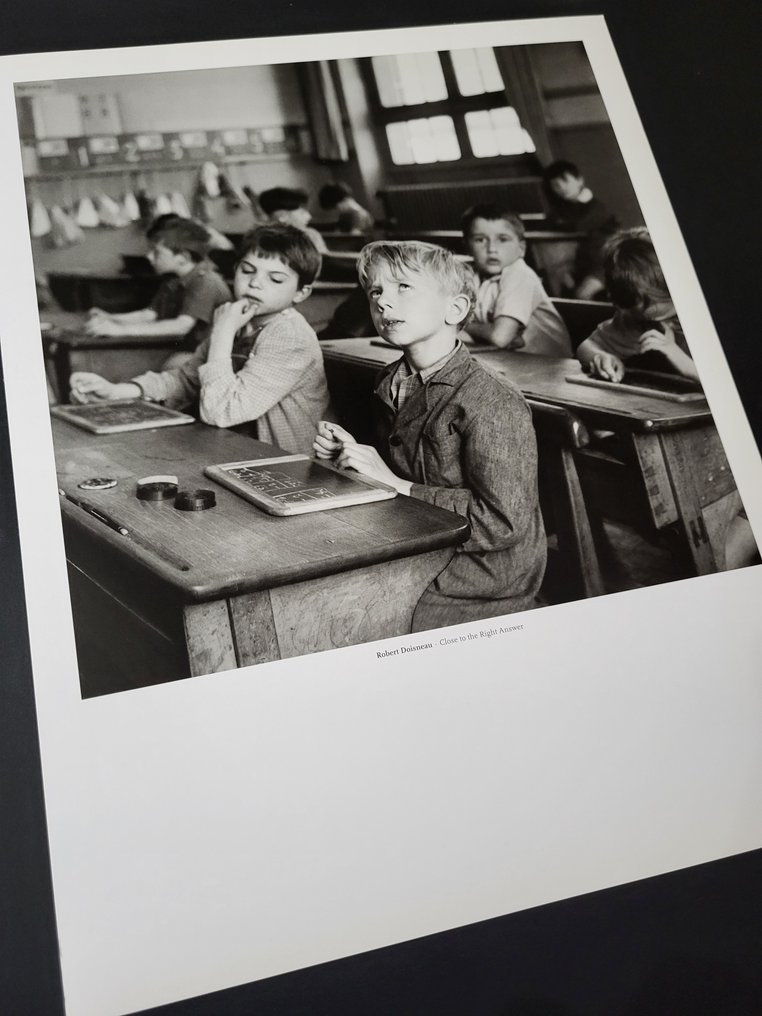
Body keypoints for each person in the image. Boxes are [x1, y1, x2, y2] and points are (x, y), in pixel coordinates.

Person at [313, 240, 546, 632]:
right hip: (419, 543)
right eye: (376, 291)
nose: (384, 303)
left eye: (404, 287)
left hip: (480, 576)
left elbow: (502, 524)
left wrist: (396, 485)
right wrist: (350, 455)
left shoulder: (490, 399)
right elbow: (407, 468)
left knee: (357, 619)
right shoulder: (390, 380)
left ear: (455, 309)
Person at [70, 224, 332, 456]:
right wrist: (118, 391)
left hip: (285, 466)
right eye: (248, 270)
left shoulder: (289, 336)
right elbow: (186, 379)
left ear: (301, 293)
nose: (255, 284)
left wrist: (222, 333)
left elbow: (223, 411)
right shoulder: (239, 318)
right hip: (233, 452)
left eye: (275, 279)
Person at [84, 216, 231, 354]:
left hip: (210, 356)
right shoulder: (173, 280)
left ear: (182, 258)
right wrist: (110, 318)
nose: (148, 256)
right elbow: (149, 314)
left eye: (156, 252)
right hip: (190, 350)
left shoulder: (206, 281)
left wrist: (118, 330)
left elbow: (182, 326)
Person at [576, 228, 698, 382]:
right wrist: (600, 357)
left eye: (649, 301)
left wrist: (687, 366)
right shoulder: (633, 316)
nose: (630, 313)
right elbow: (587, 346)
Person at [461, 203, 571, 356]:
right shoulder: (468, 275)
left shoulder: (520, 275)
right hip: (510, 363)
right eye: (480, 240)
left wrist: (462, 324)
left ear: (522, 248)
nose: (492, 248)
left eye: (503, 239)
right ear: (466, 246)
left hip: (551, 368)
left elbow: (499, 337)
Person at [542, 160, 619, 300]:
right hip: (579, 264)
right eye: (555, 185)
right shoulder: (562, 209)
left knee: (582, 295)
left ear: (579, 180)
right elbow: (550, 222)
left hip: (604, 263)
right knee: (562, 288)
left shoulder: (596, 206)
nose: (562, 187)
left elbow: (578, 226)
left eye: (565, 181)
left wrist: (563, 223)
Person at [257, 187, 328, 253]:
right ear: (282, 216)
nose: (309, 216)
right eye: (302, 213)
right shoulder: (262, 239)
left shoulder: (311, 234)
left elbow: (325, 260)